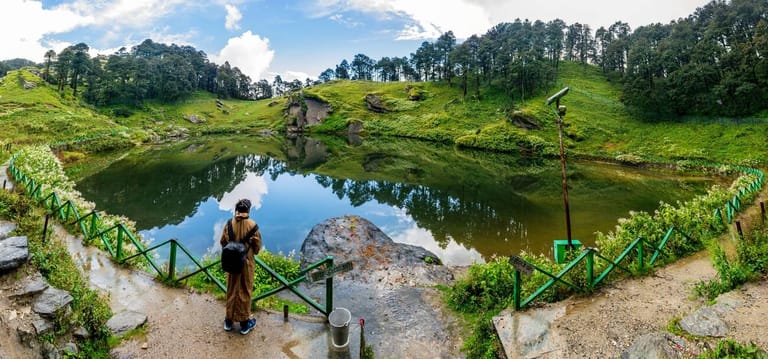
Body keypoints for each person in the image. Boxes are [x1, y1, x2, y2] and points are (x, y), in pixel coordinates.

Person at [220, 198, 262, 335]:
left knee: (231, 289)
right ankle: (244, 324)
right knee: (245, 291)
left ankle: (228, 321)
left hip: (231, 262)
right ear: (248, 210)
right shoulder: (253, 226)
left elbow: (223, 242)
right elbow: (256, 249)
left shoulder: (229, 223)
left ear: (237, 210)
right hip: (246, 263)